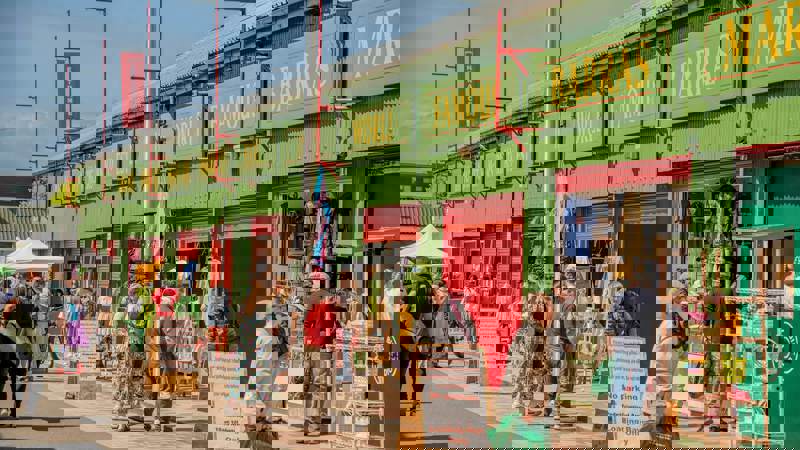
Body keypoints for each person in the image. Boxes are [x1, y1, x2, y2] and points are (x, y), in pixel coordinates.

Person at [301, 288, 345, 440]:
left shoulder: (324, 314)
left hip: (310, 349)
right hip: (319, 351)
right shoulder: (324, 309)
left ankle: (310, 419)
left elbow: (335, 330)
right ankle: (313, 421)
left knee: (310, 384)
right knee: (320, 385)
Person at [511, 290, 551, 416]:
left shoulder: (532, 300)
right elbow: (539, 323)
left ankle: (530, 401)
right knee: (530, 370)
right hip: (532, 341)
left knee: (534, 370)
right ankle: (522, 400)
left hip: (530, 341)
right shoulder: (536, 301)